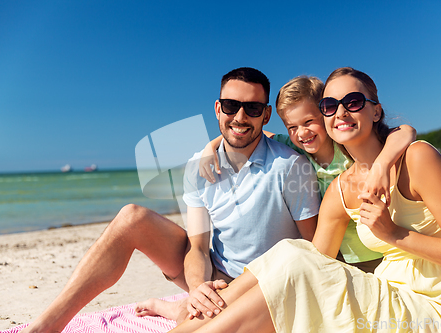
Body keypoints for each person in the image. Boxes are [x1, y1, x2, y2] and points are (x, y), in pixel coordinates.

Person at [169, 67, 441, 333]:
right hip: (387, 300)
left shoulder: (417, 158)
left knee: (294, 258)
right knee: (291, 252)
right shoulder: (340, 188)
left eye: (352, 101)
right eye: (329, 106)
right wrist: (212, 146)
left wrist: (393, 234)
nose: (340, 112)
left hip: (438, 315)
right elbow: (309, 262)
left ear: (376, 110)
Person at [20, 67, 321, 333]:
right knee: (131, 218)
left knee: (193, 324)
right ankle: (48, 325)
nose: (240, 117)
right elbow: (198, 247)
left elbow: (314, 251)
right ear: (218, 109)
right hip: (215, 274)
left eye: (253, 108)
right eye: (231, 106)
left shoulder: (290, 167)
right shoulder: (199, 166)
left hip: (262, 284)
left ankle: (174, 309)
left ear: (266, 115)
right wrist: (198, 287)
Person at [198, 75, 416, 273]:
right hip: (333, 252)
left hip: (374, 253)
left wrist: (382, 165)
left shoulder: (347, 148)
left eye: (309, 122)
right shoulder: (294, 148)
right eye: (292, 127)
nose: (301, 133)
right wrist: (211, 146)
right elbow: (246, 131)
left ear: (325, 112)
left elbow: (405, 131)